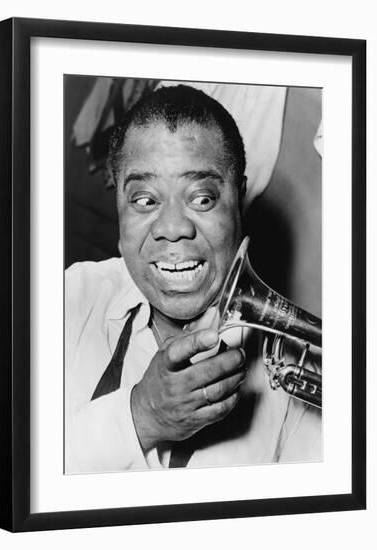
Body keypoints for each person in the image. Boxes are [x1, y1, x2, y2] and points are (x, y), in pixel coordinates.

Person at [65, 85, 321, 474]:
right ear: (118, 211)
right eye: (144, 200)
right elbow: (6, 475)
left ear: (239, 200)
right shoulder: (66, 299)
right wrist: (140, 417)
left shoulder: (296, 364)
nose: (172, 228)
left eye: (202, 197)